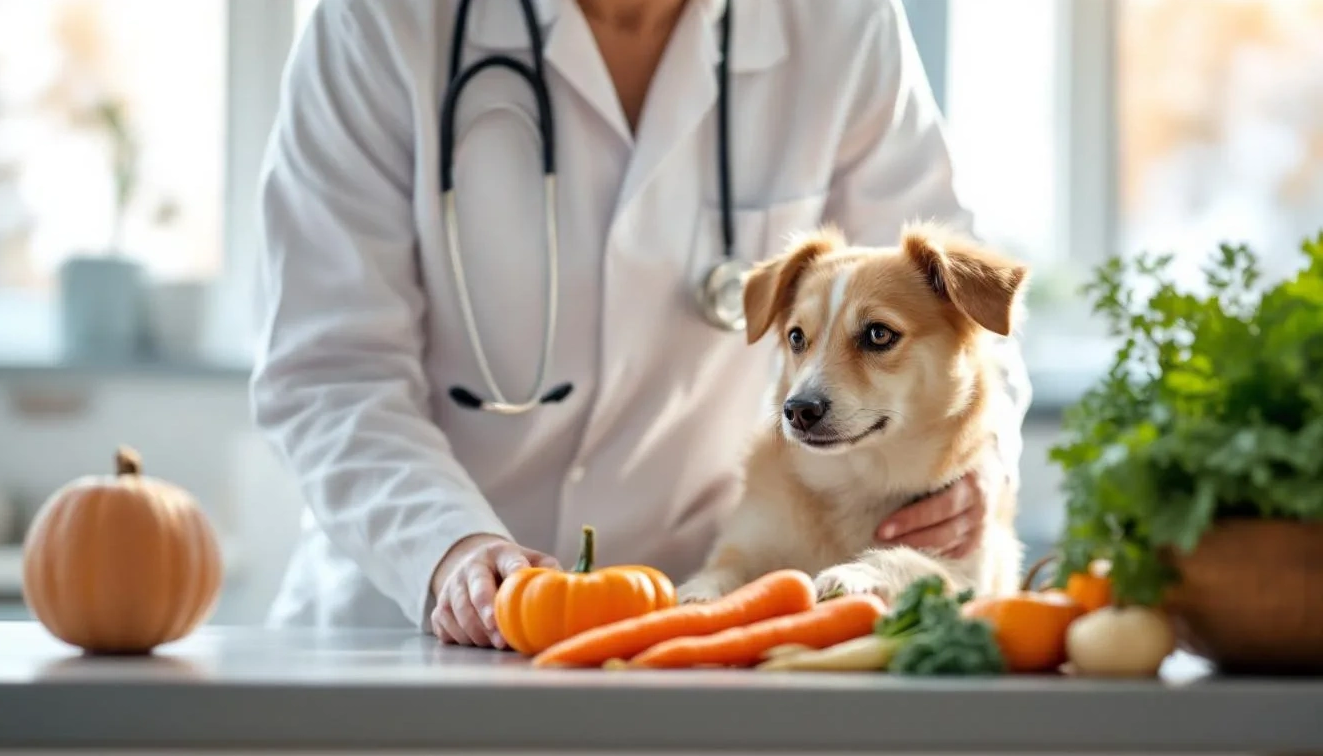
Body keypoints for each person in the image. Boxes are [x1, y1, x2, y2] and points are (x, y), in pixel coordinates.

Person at [251, 0, 1032, 649]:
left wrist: (978, 467)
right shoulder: (382, 21)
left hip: (704, 626)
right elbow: (330, 368)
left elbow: (957, 311)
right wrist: (445, 547)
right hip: (411, 623)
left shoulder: (838, 21)